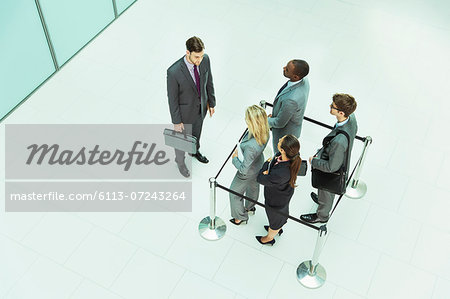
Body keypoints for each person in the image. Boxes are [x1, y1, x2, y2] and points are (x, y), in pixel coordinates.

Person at [300, 94, 358, 223]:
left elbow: (332, 167)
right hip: (336, 156)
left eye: (333, 106)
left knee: (326, 190)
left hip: (331, 170)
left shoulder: (339, 141)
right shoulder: (351, 118)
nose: (330, 107)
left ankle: (322, 215)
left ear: (341, 112)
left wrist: (313, 161)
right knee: (324, 193)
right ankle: (322, 200)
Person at [167, 36, 216, 177]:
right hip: (184, 114)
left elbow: (209, 81)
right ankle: (180, 161)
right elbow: (172, 100)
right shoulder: (173, 72)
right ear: (187, 52)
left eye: (201, 56)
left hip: (201, 109)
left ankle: (195, 150)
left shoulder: (205, 60)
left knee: (197, 133)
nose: (199, 60)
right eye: (196, 57)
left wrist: (211, 102)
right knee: (182, 139)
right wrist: (176, 121)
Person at [256, 134, 302, 245]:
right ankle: (276, 227)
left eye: (280, 140)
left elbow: (260, 178)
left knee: (275, 220)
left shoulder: (281, 173)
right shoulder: (283, 156)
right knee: (277, 217)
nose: (279, 139)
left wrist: (266, 164)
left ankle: (269, 238)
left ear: (282, 150)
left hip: (276, 199)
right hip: (281, 194)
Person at [229, 105, 269, 225]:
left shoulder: (251, 146)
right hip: (258, 164)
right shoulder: (265, 131)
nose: (245, 119)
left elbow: (243, 170)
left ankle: (240, 217)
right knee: (253, 187)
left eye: (247, 118)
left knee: (234, 193)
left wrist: (235, 158)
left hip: (248, 171)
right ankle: (250, 207)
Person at [268, 60, 310, 152]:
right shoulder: (304, 80)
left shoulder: (292, 99)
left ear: (295, 76)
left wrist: (265, 120)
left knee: (279, 155)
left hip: (284, 134)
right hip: (293, 125)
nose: (283, 68)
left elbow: (280, 122)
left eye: (287, 70)